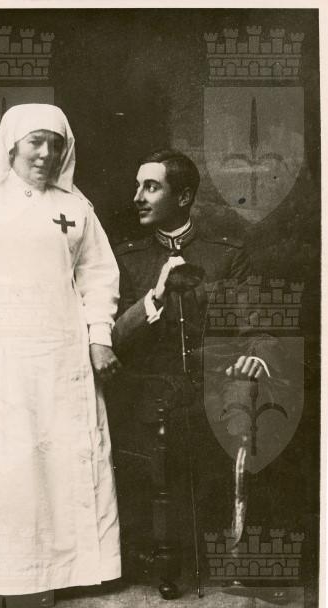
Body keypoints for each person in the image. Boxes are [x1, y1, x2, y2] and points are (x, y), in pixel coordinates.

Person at [0, 104, 121, 604]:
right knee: (11, 456)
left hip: (64, 352)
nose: (45, 153)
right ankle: (18, 577)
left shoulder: (76, 209)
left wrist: (99, 335)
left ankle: (77, 569)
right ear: (11, 146)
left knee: (67, 452)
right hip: (4, 357)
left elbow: (98, 274)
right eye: (36, 141)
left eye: (56, 144)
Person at [109, 149, 278, 585]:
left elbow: (255, 328)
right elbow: (113, 340)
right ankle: (163, 556)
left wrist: (255, 355)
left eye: (151, 187)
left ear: (183, 197)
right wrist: (155, 297)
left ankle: (239, 551)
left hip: (213, 385)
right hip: (151, 391)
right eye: (137, 186)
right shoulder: (126, 258)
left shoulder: (226, 254)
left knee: (250, 414)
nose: (138, 197)